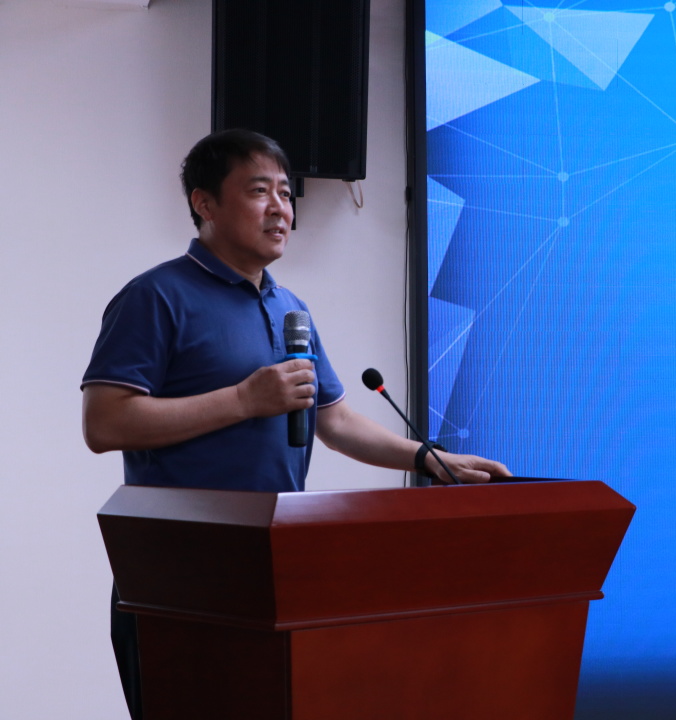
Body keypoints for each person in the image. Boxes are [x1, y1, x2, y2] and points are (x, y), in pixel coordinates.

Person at [81, 129, 511, 719]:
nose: (280, 208)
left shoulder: (290, 309)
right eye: (259, 191)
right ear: (205, 203)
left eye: (286, 193)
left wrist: (426, 459)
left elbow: (335, 420)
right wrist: (242, 399)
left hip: (275, 565)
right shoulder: (156, 296)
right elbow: (105, 423)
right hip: (178, 572)